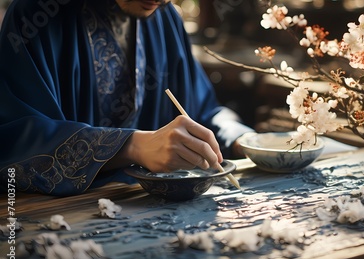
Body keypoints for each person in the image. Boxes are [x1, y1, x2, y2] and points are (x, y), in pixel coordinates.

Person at [0, 0, 254, 196]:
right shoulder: (37, 15)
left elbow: (202, 112)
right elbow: (14, 141)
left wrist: (242, 138)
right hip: (64, 216)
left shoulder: (163, 18)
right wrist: (131, 146)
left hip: (148, 205)